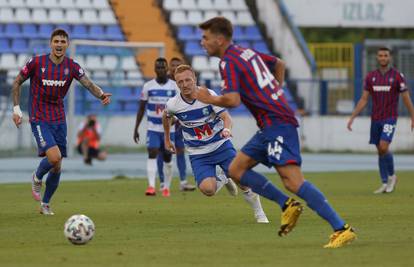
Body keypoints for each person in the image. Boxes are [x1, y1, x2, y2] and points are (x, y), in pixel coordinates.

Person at [195, 17, 356, 248]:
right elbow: (279, 63)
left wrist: (209, 98)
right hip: (271, 124)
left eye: (206, 37)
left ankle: (342, 228)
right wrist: (275, 92)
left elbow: (232, 99)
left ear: (219, 40)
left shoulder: (228, 62)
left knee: (293, 181)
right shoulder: (245, 52)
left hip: (278, 123)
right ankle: (287, 205)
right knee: (236, 169)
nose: (202, 42)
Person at [11, 29, 111, 215]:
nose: (59, 44)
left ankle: (46, 204)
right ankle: (37, 175)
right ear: (51, 43)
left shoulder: (72, 66)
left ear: (67, 45)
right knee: (54, 157)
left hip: (58, 118)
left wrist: (101, 95)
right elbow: (16, 82)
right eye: (56, 41)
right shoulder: (36, 62)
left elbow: (88, 83)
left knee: (57, 165)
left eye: (62, 41)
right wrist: (16, 110)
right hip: (39, 117)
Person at [163, 64, 269, 223]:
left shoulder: (207, 95)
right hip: (198, 153)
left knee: (243, 180)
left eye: (187, 80)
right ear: (176, 83)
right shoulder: (173, 104)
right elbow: (166, 116)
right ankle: (224, 178)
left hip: (220, 145)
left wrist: (226, 129)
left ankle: (260, 214)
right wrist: (167, 139)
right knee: (208, 190)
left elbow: (227, 117)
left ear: (195, 79)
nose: (184, 85)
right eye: (180, 82)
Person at [347, 47, 414, 194]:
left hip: (390, 118)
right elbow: (364, 99)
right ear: (377, 58)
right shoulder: (371, 77)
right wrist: (352, 117)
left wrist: (412, 116)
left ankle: (392, 176)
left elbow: (406, 97)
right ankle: (384, 182)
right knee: (380, 151)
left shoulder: (397, 76)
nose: (383, 58)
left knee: (384, 147)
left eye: (385, 55)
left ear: (389, 58)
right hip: (375, 118)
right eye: (380, 55)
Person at [133, 58, 177, 197]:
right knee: (152, 152)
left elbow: (180, 107)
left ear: (167, 69)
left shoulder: (174, 86)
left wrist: (176, 119)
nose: (161, 70)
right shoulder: (148, 86)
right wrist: (136, 128)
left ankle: (166, 187)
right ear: (155, 69)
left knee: (167, 156)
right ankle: (151, 186)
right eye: (158, 67)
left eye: (163, 67)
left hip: (169, 129)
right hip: (153, 127)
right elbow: (141, 109)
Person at [156, 57, 196, 192]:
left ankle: (183, 181)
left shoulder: (184, 84)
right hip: (167, 123)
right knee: (162, 151)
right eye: (173, 65)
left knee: (180, 150)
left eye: (177, 65)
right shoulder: (165, 83)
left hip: (181, 124)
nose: (174, 67)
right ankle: (163, 182)